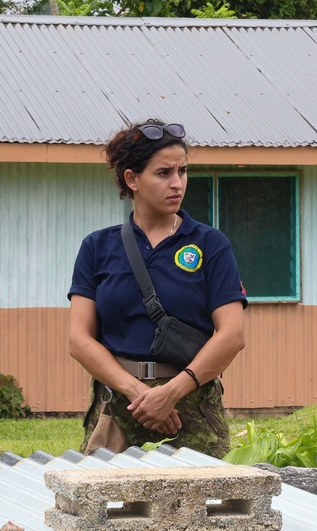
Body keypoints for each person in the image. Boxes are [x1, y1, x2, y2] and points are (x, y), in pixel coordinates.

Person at [68, 120, 247, 457]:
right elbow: (79, 340)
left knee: (200, 506)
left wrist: (171, 393)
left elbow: (232, 334)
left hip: (190, 410)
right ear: (132, 179)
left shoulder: (210, 244)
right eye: (164, 173)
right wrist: (137, 392)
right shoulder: (97, 247)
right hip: (119, 406)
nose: (177, 183)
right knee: (107, 505)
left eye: (182, 171)